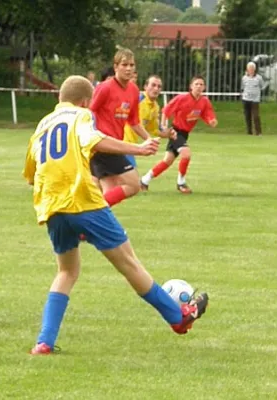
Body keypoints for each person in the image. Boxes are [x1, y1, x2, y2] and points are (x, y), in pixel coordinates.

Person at [23, 75, 209, 355]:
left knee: (66, 271)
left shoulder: (41, 126)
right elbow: (94, 140)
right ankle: (179, 317)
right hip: (84, 201)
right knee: (129, 263)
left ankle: (44, 341)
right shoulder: (81, 116)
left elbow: (30, 173)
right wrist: (138, 148)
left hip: (52, 207)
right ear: (86, 101)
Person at [89, 48, 154, 208]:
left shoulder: (133, 90)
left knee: (109, 193)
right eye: (124, 64)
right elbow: (89, 112)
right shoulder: (105, 88)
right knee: (133, 185)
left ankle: (92, 227)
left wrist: (149, 139)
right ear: (116, 67)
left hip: (115, 145)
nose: (129, 68)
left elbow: (134, 121)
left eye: (132, 65)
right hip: (103, 146)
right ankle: (91, 215)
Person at [140, 76, 218, 194]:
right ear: (191, 86)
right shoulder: (182, 98)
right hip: (176, 132)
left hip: (185, 134)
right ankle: (181, 183)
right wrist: (163, 126)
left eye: (201, 84)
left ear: (204, 87)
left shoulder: (204, 101)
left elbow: (207, 113)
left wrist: (211, 120)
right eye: (196, 84)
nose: (199, 86)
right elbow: (166, 110)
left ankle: (144, 180)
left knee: (167, 161)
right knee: (186, 154)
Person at [123, 75, 176, 168]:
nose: (156, 88)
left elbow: (154, 129)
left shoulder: (155, 107)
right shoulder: (137, 100)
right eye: (153, 85)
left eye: (159, 87)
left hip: (130, 147)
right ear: (145, 87)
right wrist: (149, 140)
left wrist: (167, 134)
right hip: (122, 144)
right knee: (131, 179)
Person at [241, 62, 264, 136]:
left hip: (255, 100)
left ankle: (258, 132)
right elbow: (243, 87)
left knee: (256, 115)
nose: (250, 70)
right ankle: (249, 132)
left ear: (254, 69)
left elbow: (261, 86)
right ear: (247, 69)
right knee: (247, 116)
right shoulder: (244, 78)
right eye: (249, 68)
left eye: (252, 68)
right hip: (246, 99)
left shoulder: (259, 78)